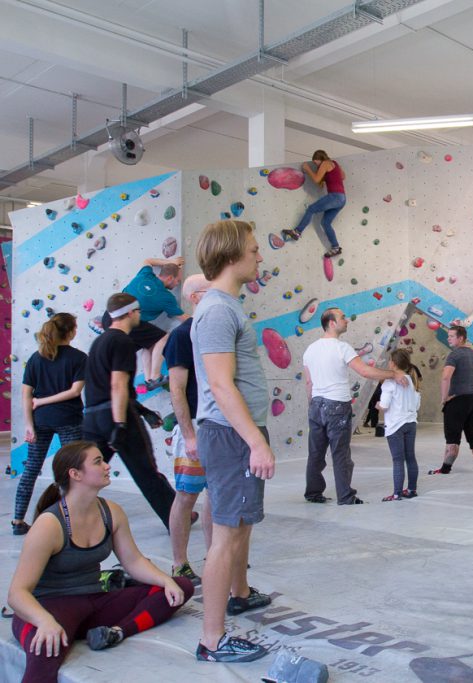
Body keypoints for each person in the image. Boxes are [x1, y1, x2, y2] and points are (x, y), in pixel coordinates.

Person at [6, 441, 193, 682]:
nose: (107, 465)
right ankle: (62, 630)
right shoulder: (49, 524)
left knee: (180, 587)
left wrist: (166, 581)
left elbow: (133, 561)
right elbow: (17, 594)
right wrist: (45, 621)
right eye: (98, 462)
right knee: (45, 649)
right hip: (50, 607)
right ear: (75, 474)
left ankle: (115, 632)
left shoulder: (110, 511)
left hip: (94, 602)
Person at [192, 219, 274, 662]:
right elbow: (222, 387)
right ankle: (211, 638)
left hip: (237, 433)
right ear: (231, 255)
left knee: (239, 526)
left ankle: (237, 595)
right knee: (224, 536)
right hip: (229, 436)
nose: (260, 255)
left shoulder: (227, 306)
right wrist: (255, 443)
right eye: (254, 248)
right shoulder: (219, 309)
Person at [82, 294, 176, 530]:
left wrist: (142, 410)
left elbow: (101, 386)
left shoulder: (100, 342)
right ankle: (176, 518)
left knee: (86, 474)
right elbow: (117, 385)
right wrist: (120, 423)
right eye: (139, 312)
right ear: (132, 313)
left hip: (93, 418)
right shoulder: (122, 342)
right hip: (116, 415)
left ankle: (70, 518)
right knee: (146, 472)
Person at [302, 307, 407, 505]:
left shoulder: (310, 349)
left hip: (316, 405)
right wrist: (393, 374)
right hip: (337, 407)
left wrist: (313, 405)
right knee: (340, 453)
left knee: (316, 453)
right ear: (332, 323)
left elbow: (309, 383)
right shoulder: (342, 348)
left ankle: (313, 493)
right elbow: (365, 372)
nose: (347, 320)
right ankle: (345, 496)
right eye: (342, 317)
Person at [15, 313, 87, 536]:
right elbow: (75, 391)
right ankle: (72, 518)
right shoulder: (79, 358)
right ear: (72, 332)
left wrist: (29, 424)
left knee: (31, 469)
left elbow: (26, 395)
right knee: (73, 470)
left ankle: (18, 521)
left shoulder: (37, 358)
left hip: (40, 421)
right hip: (69, 420)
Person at [164, 274, 214, 584]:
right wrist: (188, 434)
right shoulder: (182, 336)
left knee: (217, 496)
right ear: (195, 297)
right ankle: (179, 562)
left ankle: (216, 555)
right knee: (186, 496)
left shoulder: (214, 332)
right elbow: (177, 389)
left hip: (219, 424)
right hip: (195, 424)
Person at [102, 256, 188, 391]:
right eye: (177, 281)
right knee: (163, 338)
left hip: (109, 316)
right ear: (170, 278)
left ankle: (149, 380)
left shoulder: (146, 274)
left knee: (148, 344)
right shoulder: (166, 297)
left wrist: (170, 263)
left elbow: (148, 260)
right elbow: (183, 318)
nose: (177, 284)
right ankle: (155, 377)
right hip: (128, 320)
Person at [430, 325, 473, 475]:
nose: (448, 338)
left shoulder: (454, 355)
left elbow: (445, 377)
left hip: (457, 400)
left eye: (451, 336)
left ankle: (445, 469)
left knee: (452, 436)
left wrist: (444, 398)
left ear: (460, 338)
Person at [280, 150, 346, 258]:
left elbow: (316, 179)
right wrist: (327, 178)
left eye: (316, 163)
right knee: (326, 223)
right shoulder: (335, 163)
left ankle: (297, 232)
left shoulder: (325, 163)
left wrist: (307, 169)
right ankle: (335, 247)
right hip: (342, 199)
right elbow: (343, 176)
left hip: (334, 196)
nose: (317, 166)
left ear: (318, 159)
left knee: (311, 209)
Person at [377, 349, 421, 502]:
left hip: (396, 425)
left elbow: (384, 405)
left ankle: (396, 494)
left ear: (393, 363)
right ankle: (411, 489)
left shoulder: (390, 382)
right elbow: (417, 404)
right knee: (410, 458)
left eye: (390, 360)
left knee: (397, 460)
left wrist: (378, 405)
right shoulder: (411, 380)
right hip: (411, 423)